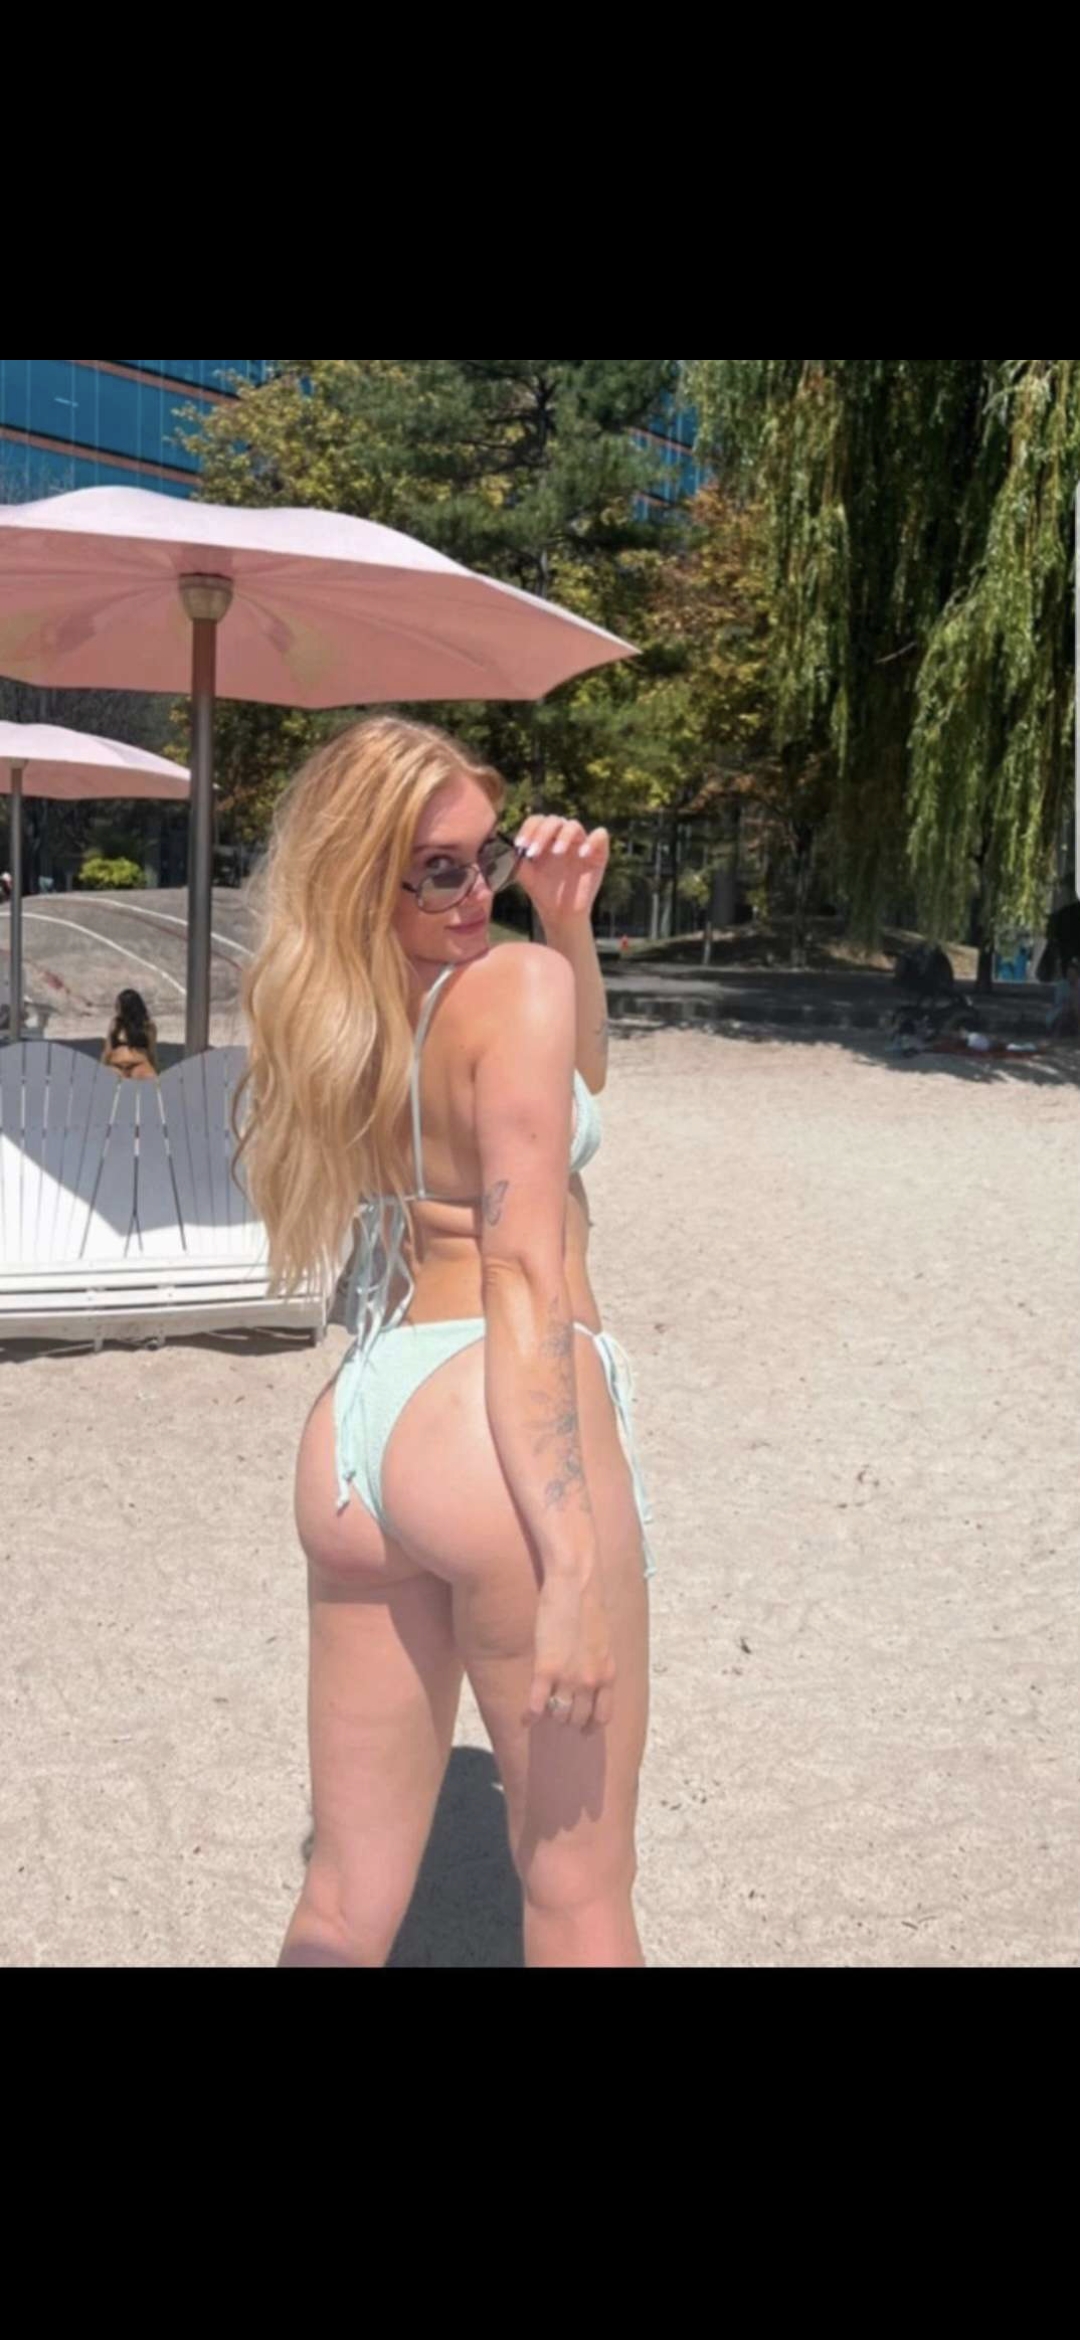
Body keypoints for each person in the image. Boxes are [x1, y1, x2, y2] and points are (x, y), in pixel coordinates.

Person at [239, 717, 653, 1970]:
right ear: (368, 876)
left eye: (489, 856)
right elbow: (525, 1272)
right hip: (497, 1429)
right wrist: (571, 1566)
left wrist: (567, 924)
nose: (479, 892)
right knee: (578, 1893)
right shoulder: (512, 987)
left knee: (341, 1902)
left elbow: (568, 1083)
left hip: (363, 1428)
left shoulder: (339, 1011)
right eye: (440, 870)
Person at [102, 989, 159, 1081]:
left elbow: (151, 1052)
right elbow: (107, 1051)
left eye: (118, 1005)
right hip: (116, 1066)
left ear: (126, 1006)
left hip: (139, 1065)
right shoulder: (115, 1023)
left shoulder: (147, 1026)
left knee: (150, 1082)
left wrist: (155, 1069)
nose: (115, 1008)